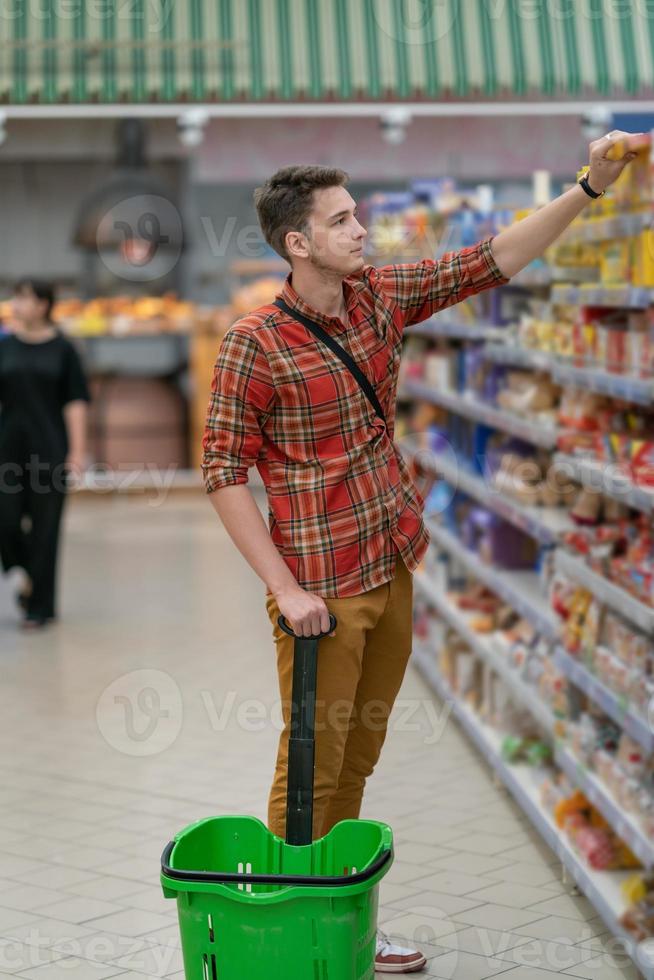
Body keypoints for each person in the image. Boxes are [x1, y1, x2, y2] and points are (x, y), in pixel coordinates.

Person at [201, 132, 637, 973]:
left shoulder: (377, 300)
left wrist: (589, 186)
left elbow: (489, 260)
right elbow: (222, 472)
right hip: (319, 589)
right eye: (343, 219)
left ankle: (344, 928)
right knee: (311, 774)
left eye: (358, 213)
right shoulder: (253, 344)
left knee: (357, 760)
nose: (362, 229)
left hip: (390, 564)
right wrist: (284, 587)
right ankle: (286, 940)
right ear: (299, 243)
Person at [0, 278, 90, 630]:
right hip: (7, 448)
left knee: (46, 529)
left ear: (42, 305)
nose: (16, 304)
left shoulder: (64, 350)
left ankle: (39, 607)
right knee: (4, 519)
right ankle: (23, 572)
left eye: (23, 298)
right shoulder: (5, 347)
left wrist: (78, 452)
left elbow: (76, 402)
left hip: (50, 449)